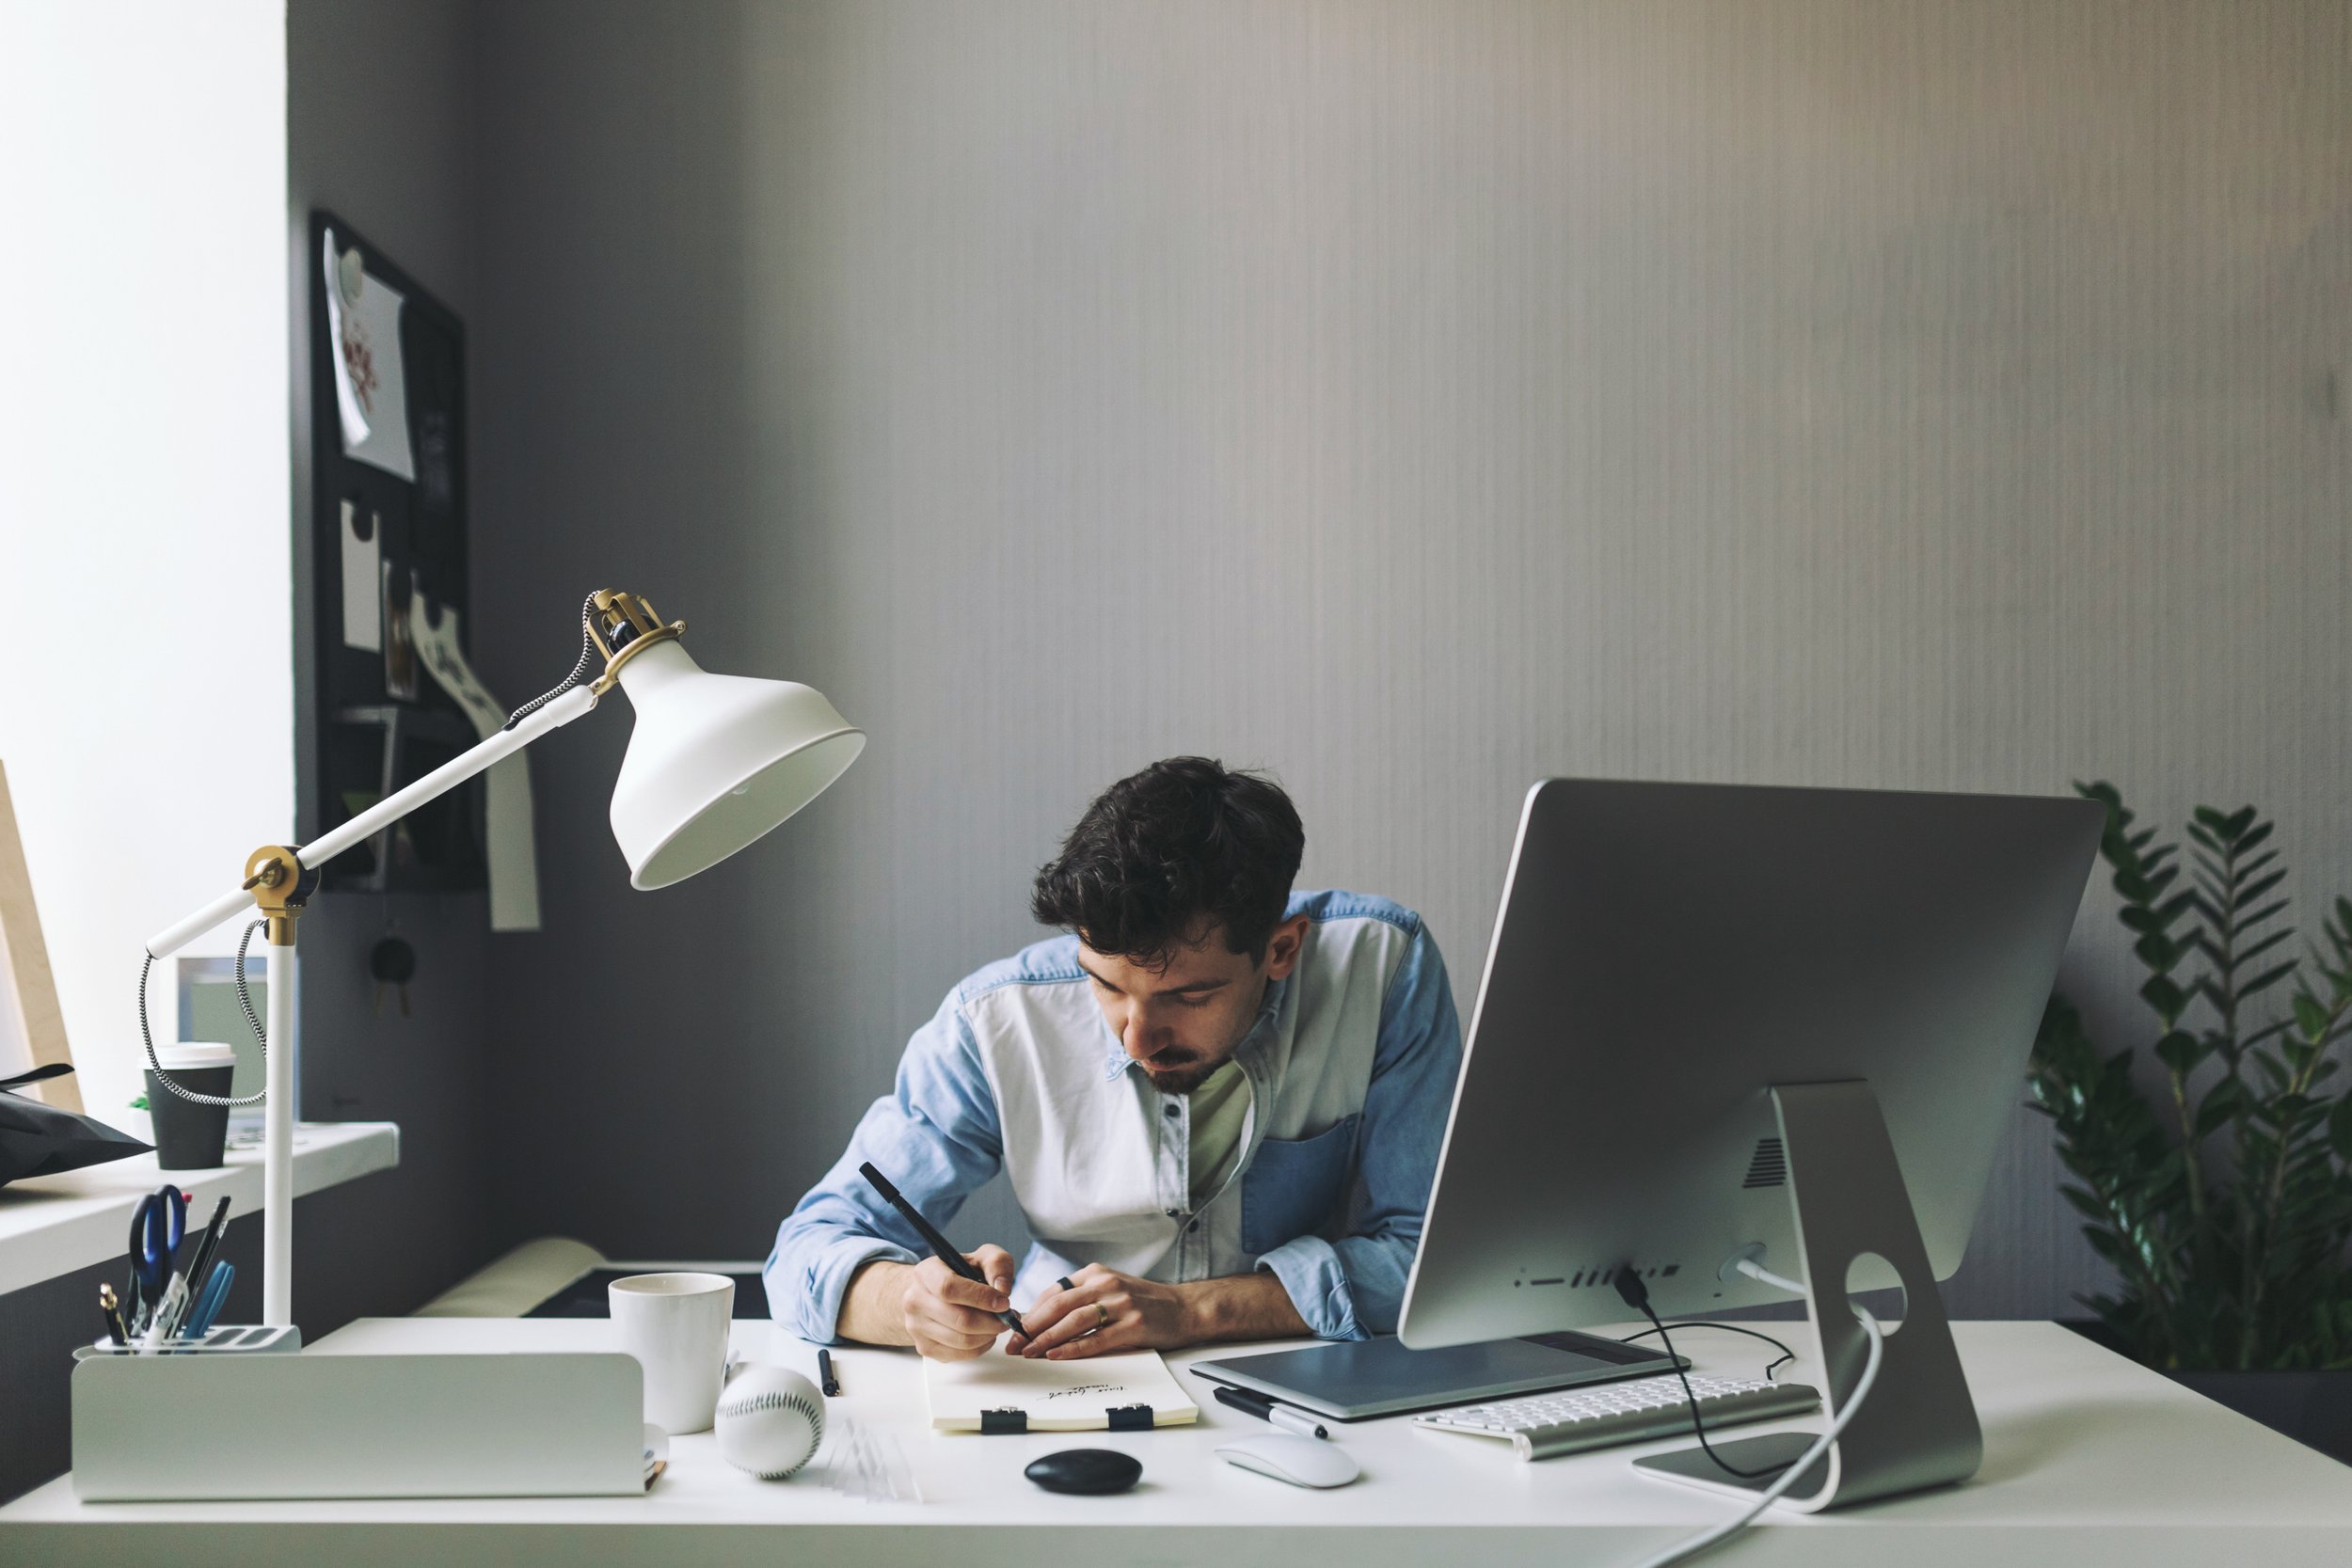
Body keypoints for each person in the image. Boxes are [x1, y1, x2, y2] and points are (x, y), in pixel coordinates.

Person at [766, 756, 1461, 1361]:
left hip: (1301, 1382)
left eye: (1188, 994)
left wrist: (1194, 1311)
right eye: (1104, 983)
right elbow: (803, 1251)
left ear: (1280, 949)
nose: (1136, 1040)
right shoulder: (996, 1021)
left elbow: (1438, 1258)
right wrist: (906, 1300)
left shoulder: (1382, 968)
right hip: (1055, 1380)